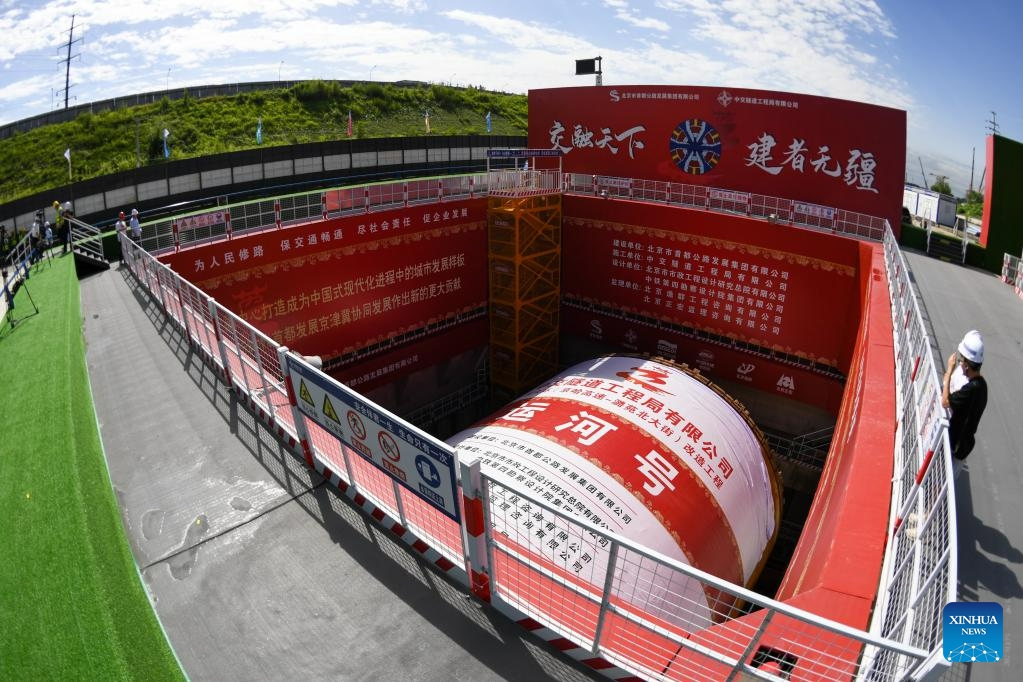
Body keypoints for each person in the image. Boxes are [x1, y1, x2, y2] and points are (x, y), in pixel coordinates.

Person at [941, 330, 988, 479]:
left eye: (962, 361)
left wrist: (949, 371)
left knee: (941, 481)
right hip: (964, 445)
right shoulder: (982, 385)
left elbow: (945, 401)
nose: (960, 364)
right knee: (946, 482)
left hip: (956, 445)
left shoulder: (970, 389)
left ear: (967, 365)